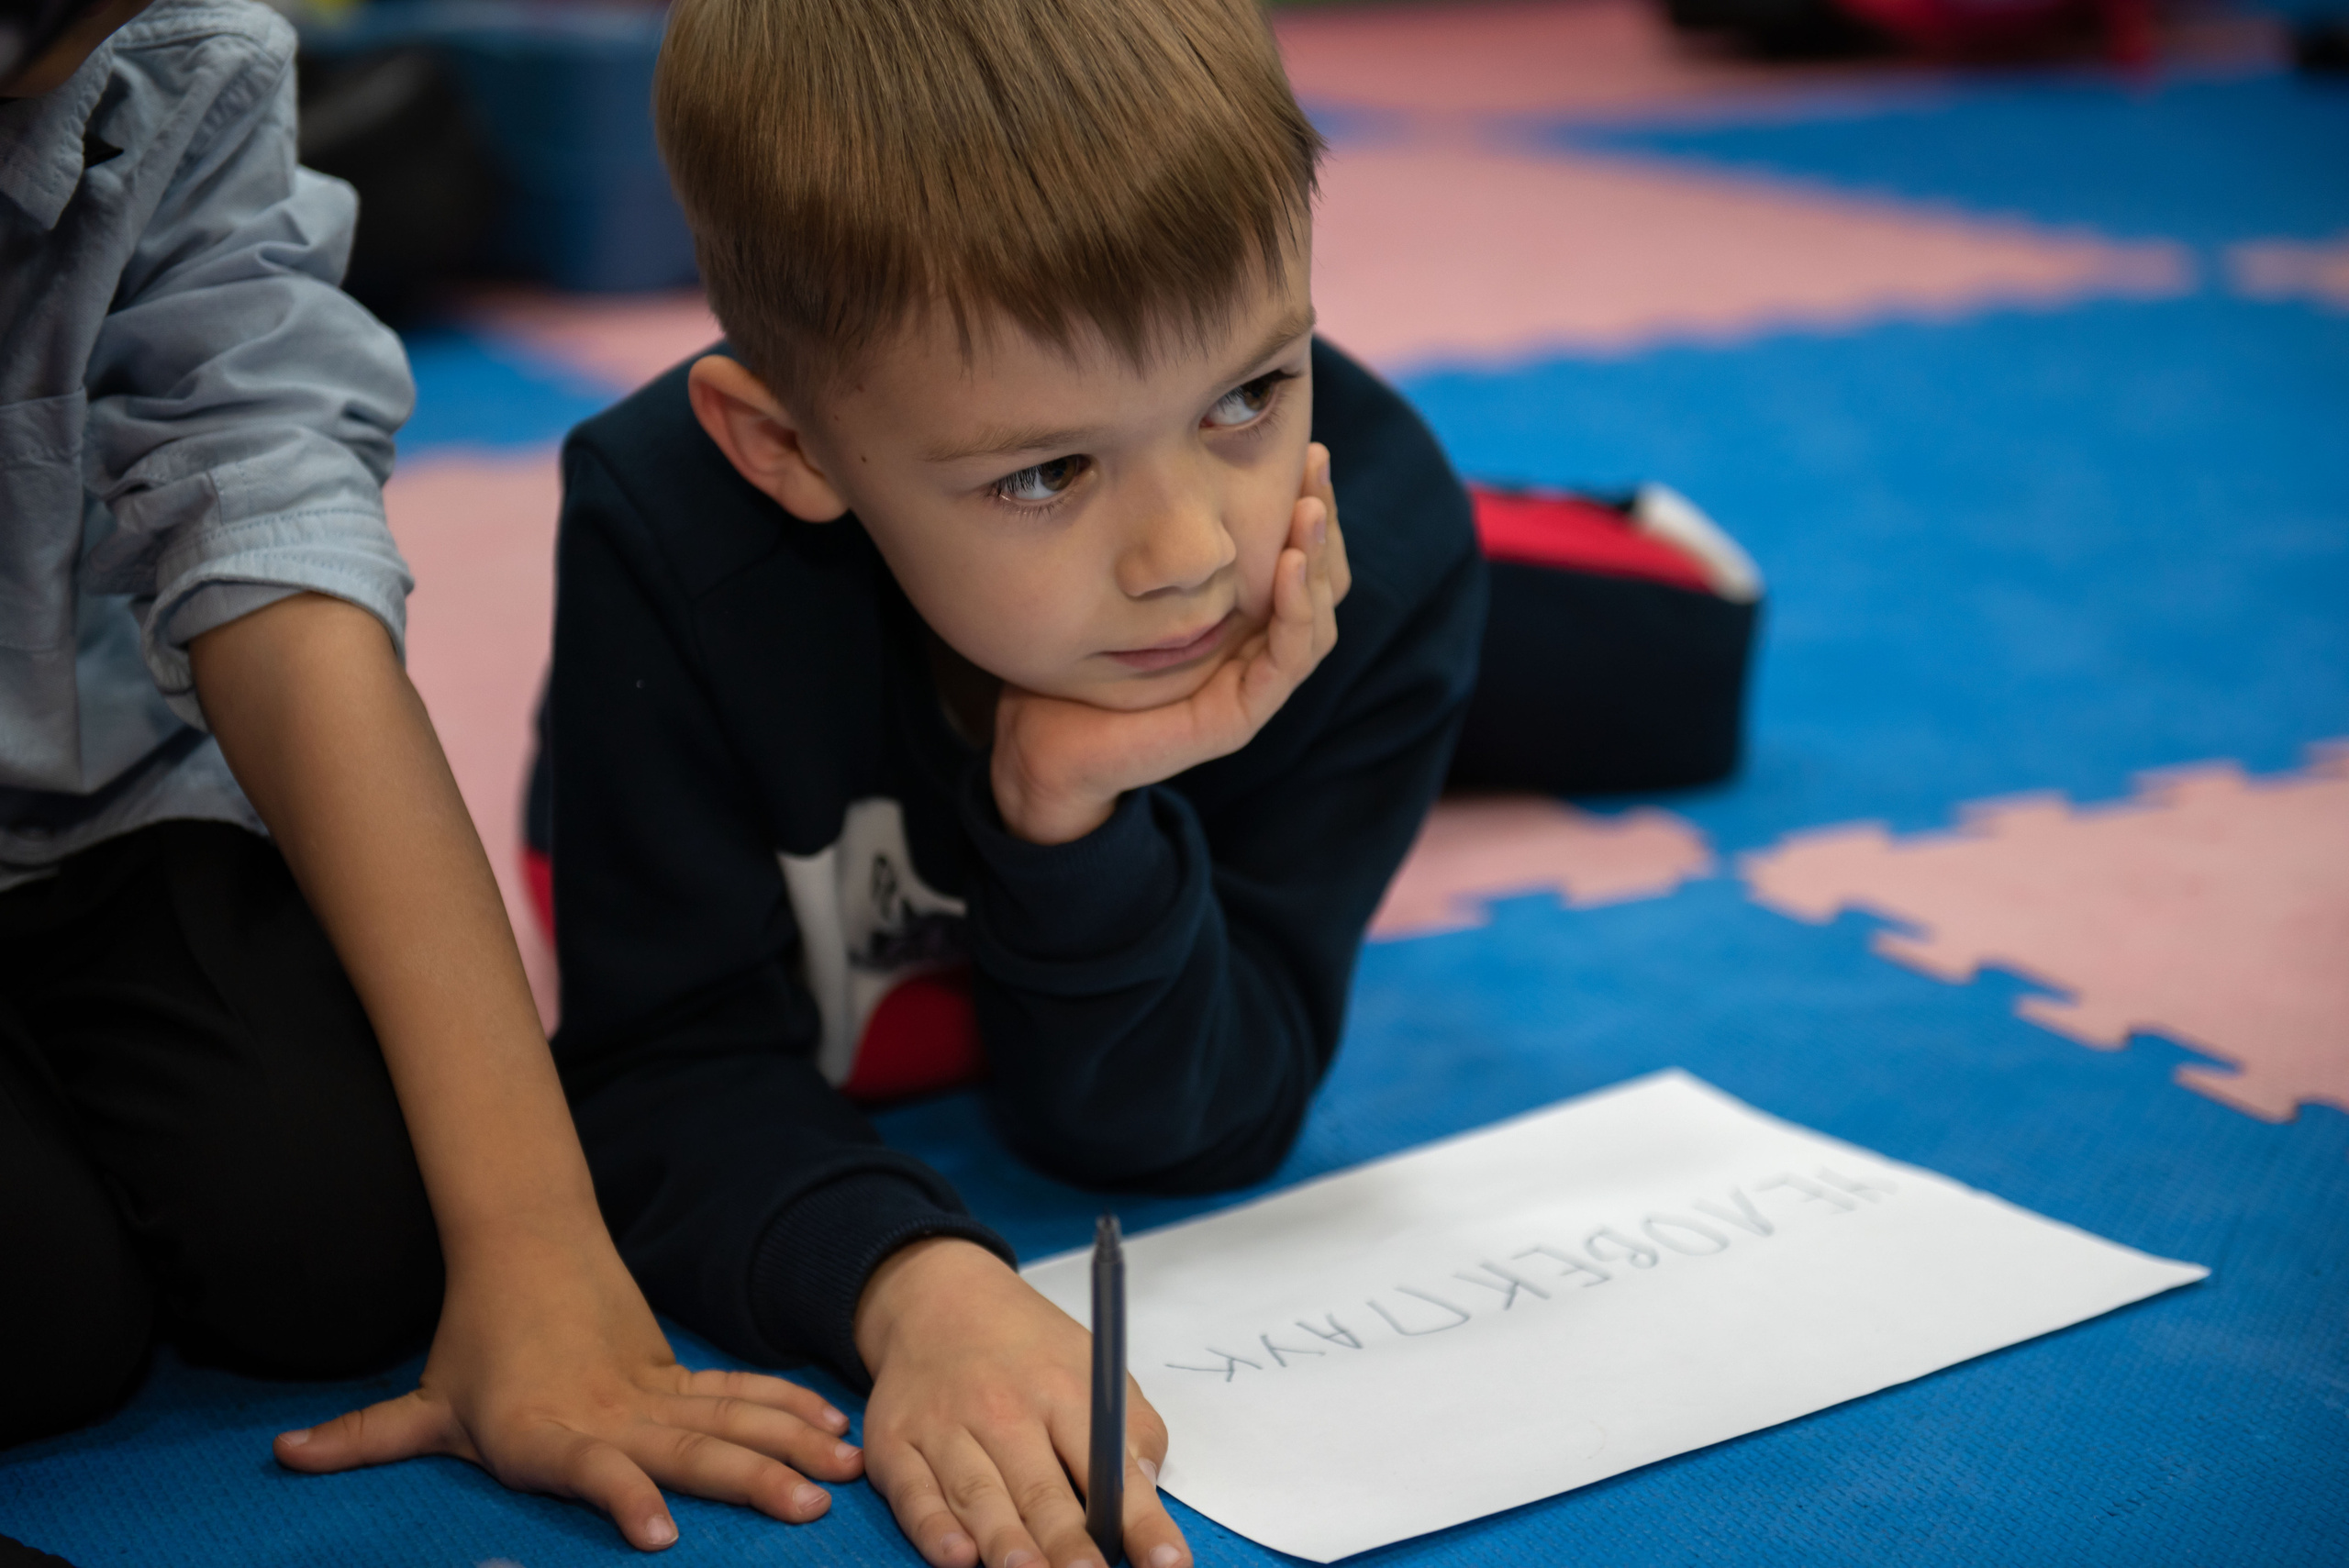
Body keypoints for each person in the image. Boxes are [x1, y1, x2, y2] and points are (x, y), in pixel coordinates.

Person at [1, 0, 869, 1551]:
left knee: (339, 1246)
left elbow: (260, 507)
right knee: (39, 1317)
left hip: (85, 792)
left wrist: (537, 1241)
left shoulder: (178, 53)